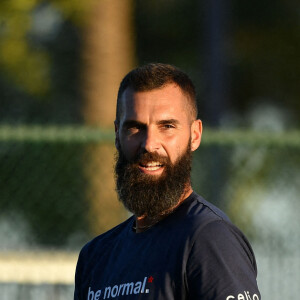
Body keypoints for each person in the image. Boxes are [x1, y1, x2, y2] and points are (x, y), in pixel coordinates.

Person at [74, 63, 261, 300]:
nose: (149, 144)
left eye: (167, 127)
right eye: (135, 128)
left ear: (195, 135)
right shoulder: (95, 257)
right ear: (117, 136)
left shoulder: (209, 239)